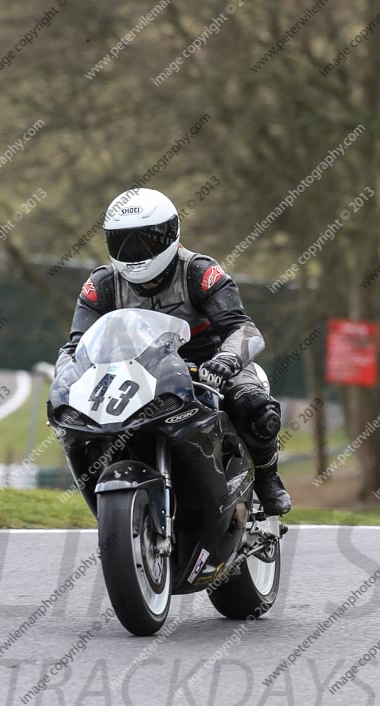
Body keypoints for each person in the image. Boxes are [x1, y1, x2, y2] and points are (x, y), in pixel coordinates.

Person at [56, 188, 291, 516]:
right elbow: (77, 344)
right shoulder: (102, 284)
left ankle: (267, 477)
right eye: (121, 242)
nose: (133, 252)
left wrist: (225, 360)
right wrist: (67, 373)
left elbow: (243, 329)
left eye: (145, 240)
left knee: (254, 405)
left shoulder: (200, 272)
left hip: (210, 362)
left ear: (170, 234)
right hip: (139, 368)